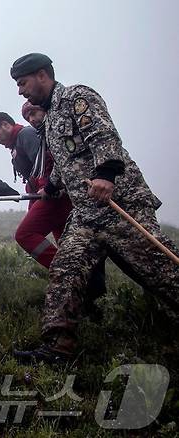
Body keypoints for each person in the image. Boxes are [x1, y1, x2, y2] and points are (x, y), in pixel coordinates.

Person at [10, 53, 179, 363]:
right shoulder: (48, 121)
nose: (21, 91)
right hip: (86, 215)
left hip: (120, 204)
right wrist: (51, 187)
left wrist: (106, 175)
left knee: (159, 270)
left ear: (42, 75)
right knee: (66, 269)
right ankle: (58, 347)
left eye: (23, 83)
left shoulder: (77, 97)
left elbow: (104, 137)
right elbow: (66, 161)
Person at [0, 111, 73, 268]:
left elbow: (46, 163)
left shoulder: (26, 134)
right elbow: (33, 176)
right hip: (49, 196)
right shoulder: (16, 145)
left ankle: (64, 270)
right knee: (67, 246)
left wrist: (47, 188)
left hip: (54, 195)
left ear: (6, 125)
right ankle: (86, 281)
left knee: (24, 234)